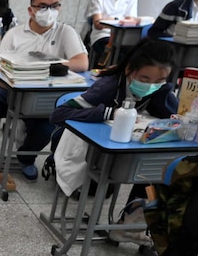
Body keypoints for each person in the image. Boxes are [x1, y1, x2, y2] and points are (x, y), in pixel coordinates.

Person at [49, 38, 177, 244]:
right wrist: (109, 112)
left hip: (128, 147)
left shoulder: (160, 90)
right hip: (88, 146)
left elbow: (172, 119)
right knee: (113, 178)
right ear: (129, 70)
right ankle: (126, 223)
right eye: (145, 79)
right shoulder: (108, 86)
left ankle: (130, 222)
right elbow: (59, 113)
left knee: (161, 166)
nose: (151, 85)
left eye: (159, 80)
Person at [0, 0, 88, 181]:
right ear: (31, 10)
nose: (49, 11)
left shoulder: (65, 32)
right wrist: (18, 83)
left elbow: (82, 63)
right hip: (11, 90)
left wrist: (46, 67)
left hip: (46, 96)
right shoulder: (14, 34)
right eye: (43, 6)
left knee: (50, 124)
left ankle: (26, 157)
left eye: (54, 6)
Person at [88, 0, 138, 68]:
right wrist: (118, 21)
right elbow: (98, 24)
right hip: (103, 35)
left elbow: (131, 20)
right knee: (116, 54)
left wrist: (111, 20)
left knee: (137, 54)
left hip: (125, 37)